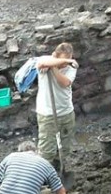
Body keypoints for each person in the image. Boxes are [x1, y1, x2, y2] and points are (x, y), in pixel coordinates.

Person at [33, 42, 78, 174]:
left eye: (68, 59)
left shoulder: (71, 67)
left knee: (64, 147)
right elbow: (42, 64)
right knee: (47, 149)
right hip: (47, 114)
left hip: (66, 112)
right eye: (63, 60)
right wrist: (54, 64)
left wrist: (55, 67)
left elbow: (64, 82)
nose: (65, 64)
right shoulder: (44, 61)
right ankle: (44, 174)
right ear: (56, 56)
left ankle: (60, 168)